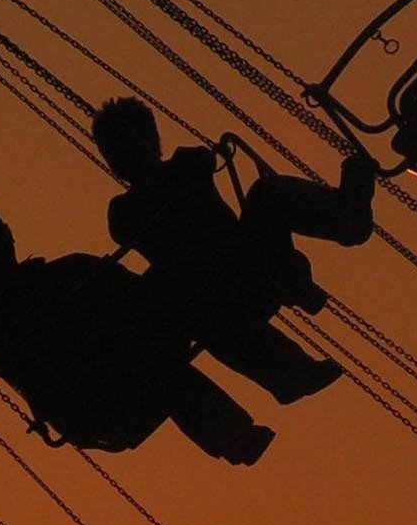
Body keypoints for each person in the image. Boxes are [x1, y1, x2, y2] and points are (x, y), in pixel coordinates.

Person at [91, 96, 375, 405]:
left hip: (253, 264)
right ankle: (291, 371)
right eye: (114, 151)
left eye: (128, 143)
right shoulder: (125, 209)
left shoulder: (185, 163)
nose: (124, 155)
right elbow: (125, 228)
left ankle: (344, 219)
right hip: (215, 295)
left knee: (267, 193)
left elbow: (201, 161)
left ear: (148, 139)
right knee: (185, 297)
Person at [0, 204, 274, 464]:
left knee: (173, 285)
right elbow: (37, 369)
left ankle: (268, 342)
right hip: (99, 402)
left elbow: (136, 292)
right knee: (158, 369)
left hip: (132, 363)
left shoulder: (69, 269)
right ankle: (239, 431)